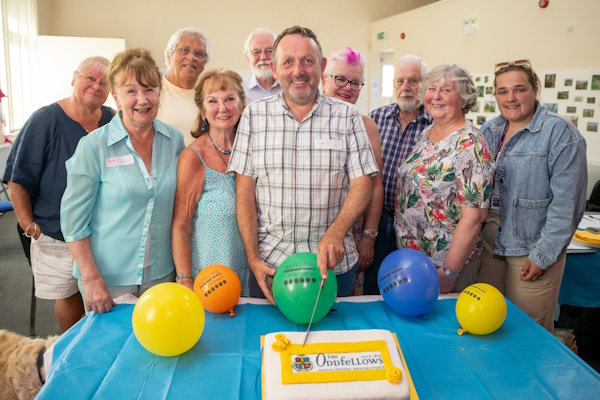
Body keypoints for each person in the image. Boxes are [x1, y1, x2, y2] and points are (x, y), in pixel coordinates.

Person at [228, 26, 378, 302]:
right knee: (268, 344)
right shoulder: (253, 116)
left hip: (333, 268)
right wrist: (252, 257)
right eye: (288, 62)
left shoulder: (347, 117)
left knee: (335, 344)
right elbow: (245, 192)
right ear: (275, 69)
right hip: (271, 267)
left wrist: (337, 232)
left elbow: (362, 183)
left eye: (307, 61)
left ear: (321, 67)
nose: (298, 70)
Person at [61, 48, 185, 314]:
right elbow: (73, 223)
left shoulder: (174, 140)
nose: (142, 99)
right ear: (116, 97)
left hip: (161, 275)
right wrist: (92, 279)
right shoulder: (93, 146)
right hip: (107, 279)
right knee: (108, 352)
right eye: (130, 91)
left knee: (158, 349)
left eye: (149, 89)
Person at [3, 56, 113, 332]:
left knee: (104, 295)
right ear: (74, 78)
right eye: (90, 78)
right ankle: (70, 350)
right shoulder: (45, 120)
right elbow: (17, 177)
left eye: (104, 82)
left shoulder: (112, 119)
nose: (96, 86)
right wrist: (29, 225)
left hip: (104, 232)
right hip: (55, 231)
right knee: (69, 295)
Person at [478, 59, 587, 332]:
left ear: (535, 89)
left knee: (529, 333)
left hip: (530, 251)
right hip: (489, 247)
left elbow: (567, 204)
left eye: (519, 89)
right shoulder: (489, 130)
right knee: (491, 325)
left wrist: (544, 255)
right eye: (502, 91)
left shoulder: (560, 133)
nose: (510, 98)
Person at [395, 63, 494, 294]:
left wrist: (450, 272)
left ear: (464, 98)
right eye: (432, 88)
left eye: (447, 90)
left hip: (445, 265)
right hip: (413, 258)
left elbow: (474, 217)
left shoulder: (471, 144)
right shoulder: (427, 132)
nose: (436, 96)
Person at [172, 70, 250, 296]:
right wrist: (185, 279)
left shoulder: (252, 149)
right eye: (213, 101)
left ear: (241, 104)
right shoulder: (193, 157)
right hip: (209, 277)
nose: (223, 108)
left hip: (251, 276)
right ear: (203, 111)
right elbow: (180, 225)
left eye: (229, 99)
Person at [364, 55, 432, 294]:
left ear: (425, 84)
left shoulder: (435, 125)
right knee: (374, 284)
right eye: (400, 81)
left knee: (408, 285)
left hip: (416, 223)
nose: (406, 88)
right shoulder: (376, 118)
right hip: (377, 218)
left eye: (413, 81)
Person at [321, 47, 383, 295]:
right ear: (323, 78)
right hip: (308, 232)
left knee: (346, 307)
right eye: (340, 79)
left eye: (355, 82)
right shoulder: (305, 119)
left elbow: (376, 185)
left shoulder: (367, 127)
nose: (347, 87)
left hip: (350, 236)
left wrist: (368, 237)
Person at [157, 27, 210, 145]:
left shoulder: (210, 95)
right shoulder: (152, 91)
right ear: (168, 56)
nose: (191, 57)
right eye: (184, 50)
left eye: (199, 53)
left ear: (205, 62)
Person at [242, 27, 281, 103]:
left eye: (269, 51)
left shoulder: (289, 88)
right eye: (256, 52)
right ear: (247, 58)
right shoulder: (240, 90)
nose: (263, 57)